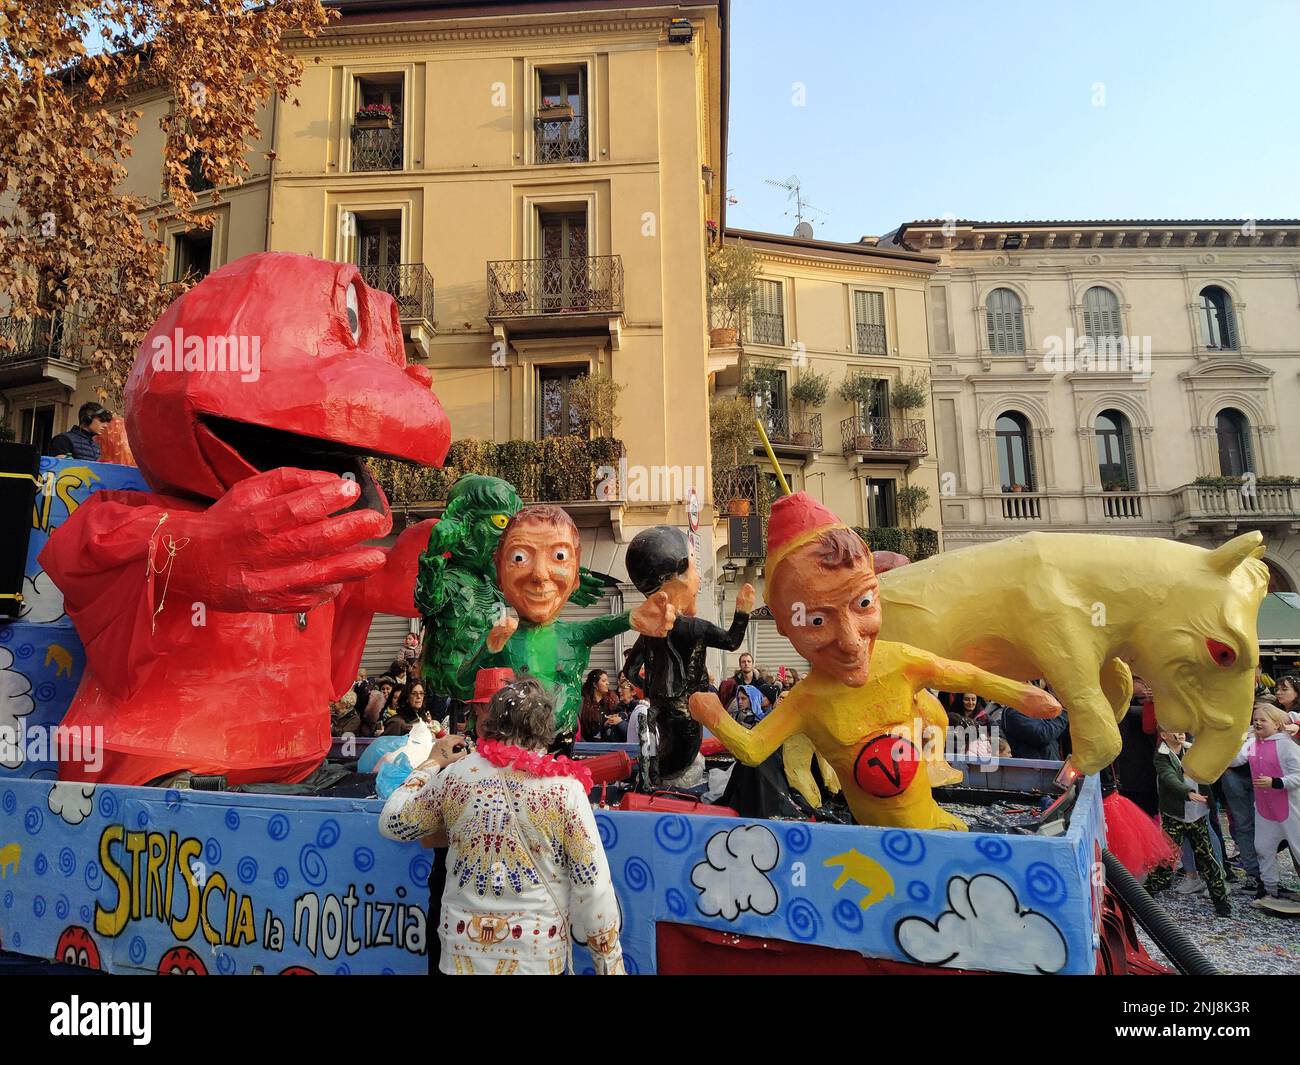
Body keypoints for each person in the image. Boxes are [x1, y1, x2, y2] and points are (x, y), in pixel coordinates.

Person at [378, 678, 625, 975]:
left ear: (492, 720)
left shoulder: (456, 776)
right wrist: (609, 967)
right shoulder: (564, 790)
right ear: (546, 726)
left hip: (460, 957)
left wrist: (431, 764)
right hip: (535, 960)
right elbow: (594, 886)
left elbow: (393, 823)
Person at [622, 525, 755, 785]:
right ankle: (658, 784)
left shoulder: (649, 631)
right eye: (694, 567)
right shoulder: (694, 627)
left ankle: (651, 783)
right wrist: (743, 611)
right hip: (686, 706)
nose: (698, 580)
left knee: (664, 760)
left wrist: (649, 689)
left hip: (661, 704)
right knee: (678, 761)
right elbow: (731, 641)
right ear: (679, 573)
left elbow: (629, 671)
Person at [1146, 727, 1232, 917]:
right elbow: (1168, 777)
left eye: (1182, 729)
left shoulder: (1193, 749)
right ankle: (1147, 894)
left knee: (1207, 858)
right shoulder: (1162, 756)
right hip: (1175, 815)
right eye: (1174, 730)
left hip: (1198, 814)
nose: (1180, 733)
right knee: (1167, 858)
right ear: (1164, 735)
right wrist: (1188, 793)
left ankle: (1220, 901)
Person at [1230, 703, 1300, 901]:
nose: (1258, 723)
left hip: (1290, 809)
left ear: (1277, 724)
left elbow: (1298, 775)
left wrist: (1276, 782)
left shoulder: (1287, 745)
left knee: (1298, 848)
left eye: (1263, 720)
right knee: (1263, 847)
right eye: (1255, 720)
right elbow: (1235, 760)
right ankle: (1270, 888)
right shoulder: (1253, 744)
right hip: (1263, 809)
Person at [1003, 695, 1070, 760]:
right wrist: (1063, 711)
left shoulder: (1036, 710)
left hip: (1050, 767)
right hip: (1032, 769)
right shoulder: (1014, 711)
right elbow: (1043, 735)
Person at [46, 402, 113, 460]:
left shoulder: (97, 445)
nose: (105, 425)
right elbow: (61, 468)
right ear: (87, 420)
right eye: (101, 421)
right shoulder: (63, 440)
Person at [578, 669, 619, 742]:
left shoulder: (612, 700)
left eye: (607, 680)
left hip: (609, 743)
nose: (608, 683)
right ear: (595, 684)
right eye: (604, 681)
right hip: (588, 745)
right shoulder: (583, 702)